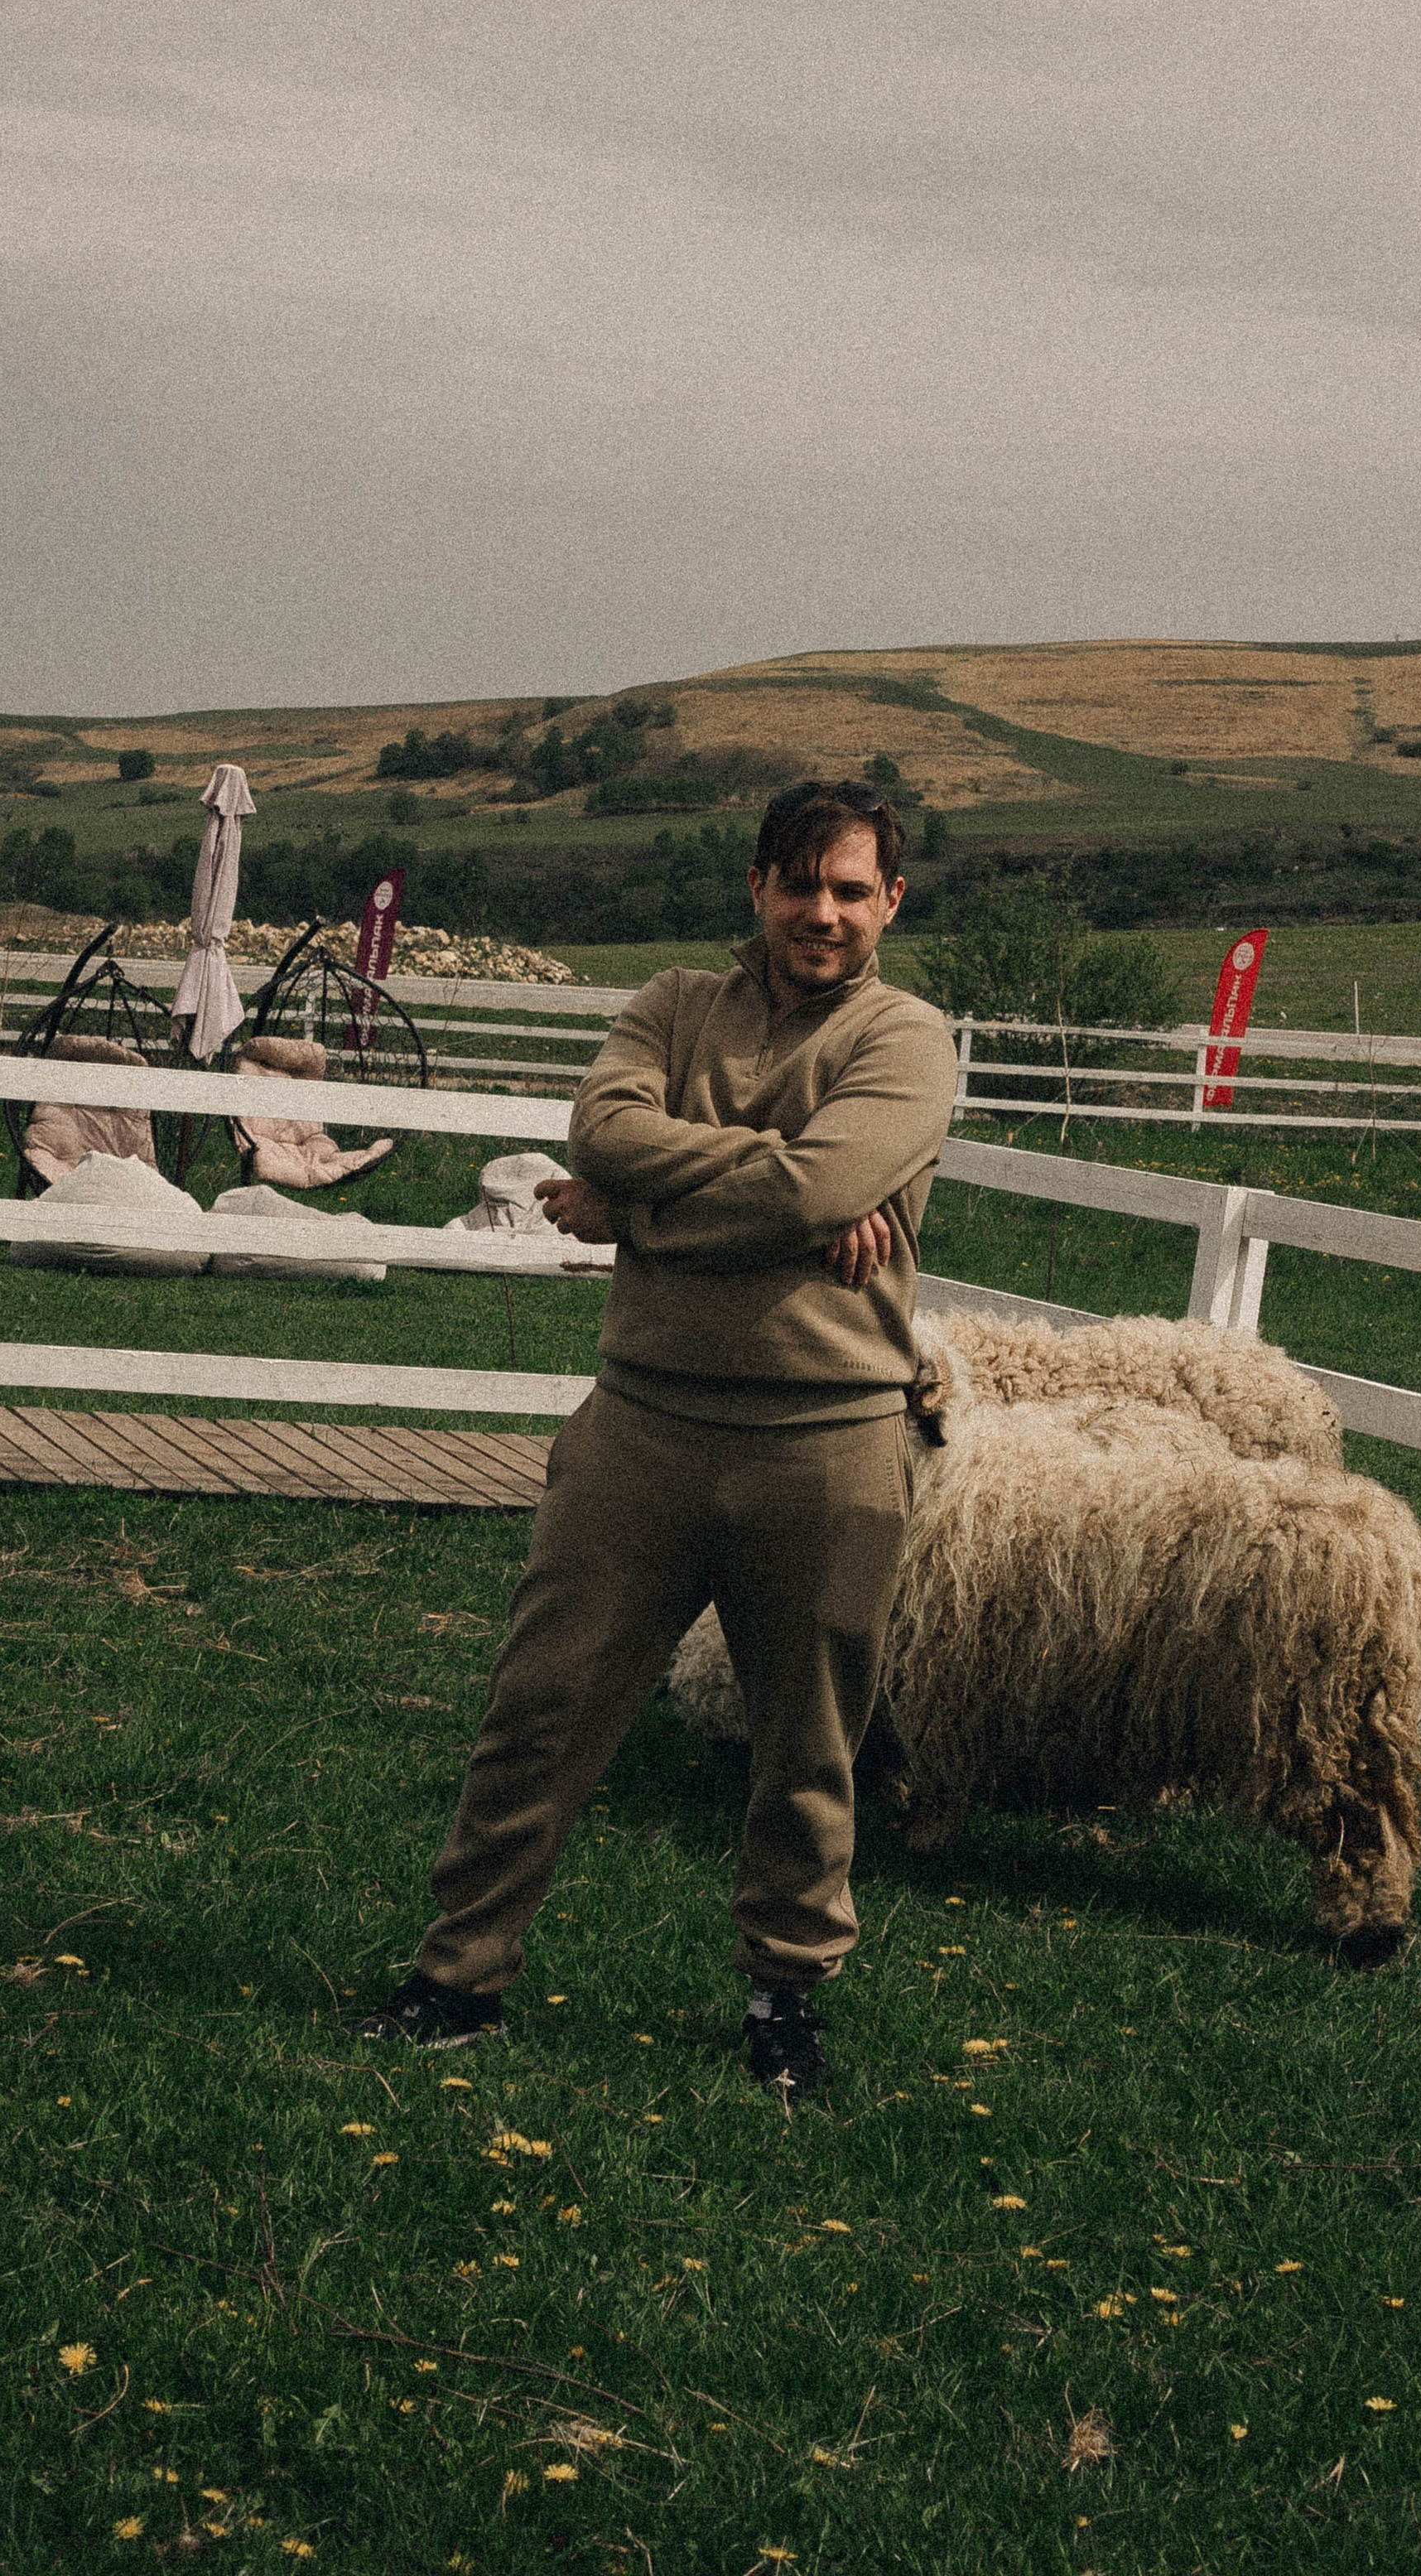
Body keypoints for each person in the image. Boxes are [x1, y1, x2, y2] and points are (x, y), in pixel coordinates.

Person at [358, 777, 959, 2098]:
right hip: (641, 1429)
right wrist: (784, 1200)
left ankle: (782, 2000)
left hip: (830, 1446)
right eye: (799, 884)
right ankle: (458, 1977)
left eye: (852, 890)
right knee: (540, 1709)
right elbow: (602, 1129)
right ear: (757, 885)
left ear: (890, 904)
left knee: (811, 1744)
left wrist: (632, 1212)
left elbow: (822, 1179)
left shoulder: (906, 1039)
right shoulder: (671, 1005)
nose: (823, 912)